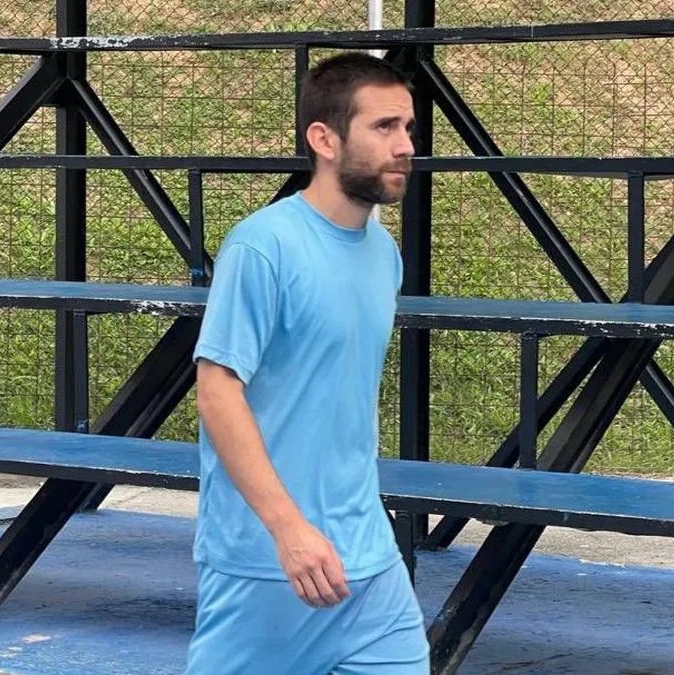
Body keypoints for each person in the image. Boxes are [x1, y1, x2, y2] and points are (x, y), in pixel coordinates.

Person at [185, 52, 429, 674]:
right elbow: (216, 391)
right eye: (384, 127)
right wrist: (289, 530)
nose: (405, 145)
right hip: (269, 566)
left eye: (407, 127)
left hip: (368, 562)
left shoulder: (383, 252)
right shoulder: (263, 247)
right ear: (323, 139)